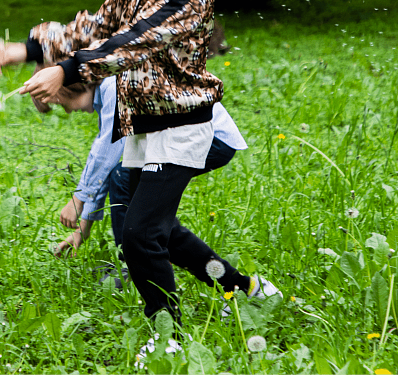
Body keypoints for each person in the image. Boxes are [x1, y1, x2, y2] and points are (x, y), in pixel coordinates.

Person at [0, 0, 277, 330]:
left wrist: (66, 71)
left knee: (140, 234)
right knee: (159, 231)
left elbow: (134, 41)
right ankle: (244, 289)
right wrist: (29, 49)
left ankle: (167, 332)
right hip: (144, 128)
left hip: (183, 129)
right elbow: (96, 27)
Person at [45, 76, 279, 297]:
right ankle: (244, 288)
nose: (65, 109)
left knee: (143, 218)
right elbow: (108, 155)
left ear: (73, 86)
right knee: (152, 224)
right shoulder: (108, 90)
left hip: (208, 137)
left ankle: (135, 269)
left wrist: (79, 198)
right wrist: (82, 228)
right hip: (173, 142)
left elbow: (106, 150)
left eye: (60, 100)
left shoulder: (112, 87)